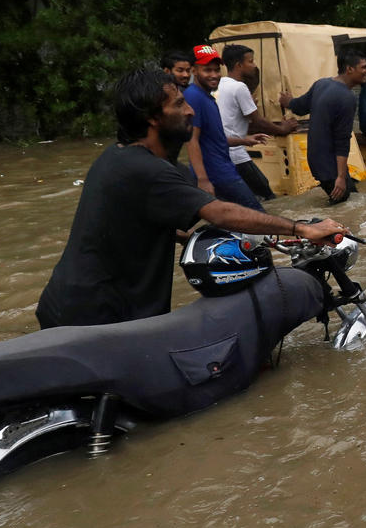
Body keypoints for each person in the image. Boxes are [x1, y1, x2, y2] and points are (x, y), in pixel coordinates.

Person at [36, 67, 348, 329]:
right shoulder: (148, 171)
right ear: (153, 118)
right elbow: (220, 212)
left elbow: (141, 226)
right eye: (179, 105)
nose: (190, 111)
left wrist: (248, 240)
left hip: (70, 307)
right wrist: (301, 229)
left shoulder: (116, 157)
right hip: (96, 318)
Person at [183, 45, 268, 210]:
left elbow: (214, 139)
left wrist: (245, 141)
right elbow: (192, 140)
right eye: (207, 70)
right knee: (258, 216)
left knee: (234, 222)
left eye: (216, 70)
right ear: (194, 70)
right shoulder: (193, 97)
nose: (214, 75)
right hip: (218, 174)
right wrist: (202, 180)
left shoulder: (206, 96)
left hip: (222, 170)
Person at [280, 53, 366, 204]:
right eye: (363, 67)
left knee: (351, 201)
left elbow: (300, 107)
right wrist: (340, 177)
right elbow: (342, 141)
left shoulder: (321, 84)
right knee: (346, 206)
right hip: (330, 167)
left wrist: (287, 101)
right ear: (349, 69)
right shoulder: (347, 98)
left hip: (317, 161)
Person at [217, 44, 298, 202]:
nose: (254, 65)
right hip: (236, 153)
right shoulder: (239, 87)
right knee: (266, 193)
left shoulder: (220, 85)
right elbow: (259, 122)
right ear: (239, 65)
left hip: (222, 150)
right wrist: (283, 129)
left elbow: (239, 121)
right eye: (251, 61)